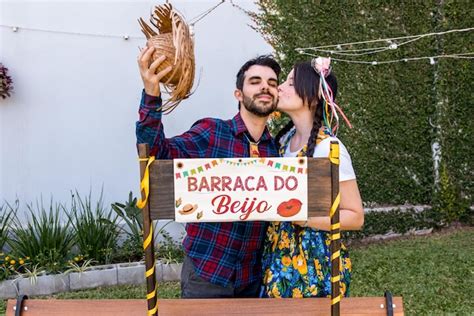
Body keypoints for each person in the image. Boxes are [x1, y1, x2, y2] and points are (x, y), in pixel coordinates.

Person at [136, 46, 281, 298]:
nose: (264, 87)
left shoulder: (275, 150)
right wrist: (151, 93)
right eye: (255, 82)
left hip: (251, 278)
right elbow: (156, 153)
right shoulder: (212, 133)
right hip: (207, 273)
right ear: (238, 93)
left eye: (271, 83)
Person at [261, 57, 364, 298]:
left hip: (313, 263)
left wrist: (303, 218)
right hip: (278, 255)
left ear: (314, 95)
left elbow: (355, 216)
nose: (280, 88)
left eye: (290, 82)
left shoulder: (329, 148)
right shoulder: (283, 142)